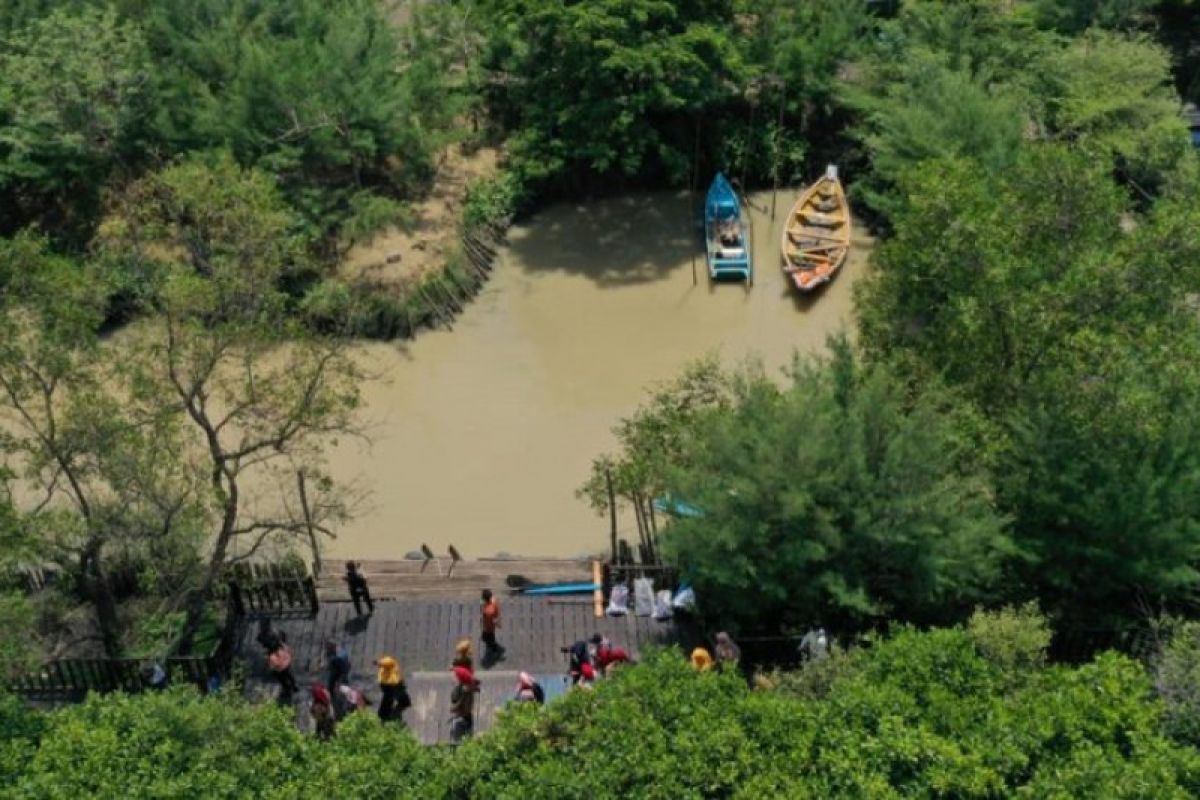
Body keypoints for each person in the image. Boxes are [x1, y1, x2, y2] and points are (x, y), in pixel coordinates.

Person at [376, 656, 410, 723]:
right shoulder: (389, 664)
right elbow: (386, 662)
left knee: (389, 698)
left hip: (389, 684)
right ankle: (383, 715)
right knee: (389, 699)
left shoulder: (388, 666)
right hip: (391, 685)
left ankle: (383, 715)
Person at [450, 665, 479, 743]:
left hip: (462, 717)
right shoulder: (468, 688)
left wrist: (454, 708)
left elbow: (460, 703)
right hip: (467, 716)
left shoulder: (462, 690)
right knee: (468, 738)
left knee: (457, 741)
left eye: (456, 676)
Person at [480, 589, 505, 663]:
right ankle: (495, 648)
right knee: (487, 639)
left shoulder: (487, 611)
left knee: (488, 640)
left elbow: (492, 620)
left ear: (484, 598)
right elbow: (496, 614)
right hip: (490, 626)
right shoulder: (494, 601)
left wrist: (497, 624)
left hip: (488, 628)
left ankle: (498, 650)